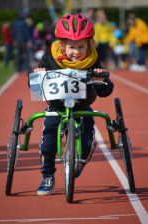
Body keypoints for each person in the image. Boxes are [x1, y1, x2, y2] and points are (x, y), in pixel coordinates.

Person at [33, 14, 114, 196]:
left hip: (83, 108)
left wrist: (100, 79)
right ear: (62, 45)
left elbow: (105, 90)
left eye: (81, 47)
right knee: (48, 145)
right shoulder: (50, 58)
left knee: (86, 144)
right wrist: (40, 73)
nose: (76, 52)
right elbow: (37, 85)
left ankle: (79, 162)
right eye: (71, 47)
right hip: (56, 108)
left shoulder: (92, 60)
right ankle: (47, 176)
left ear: (89, 45)